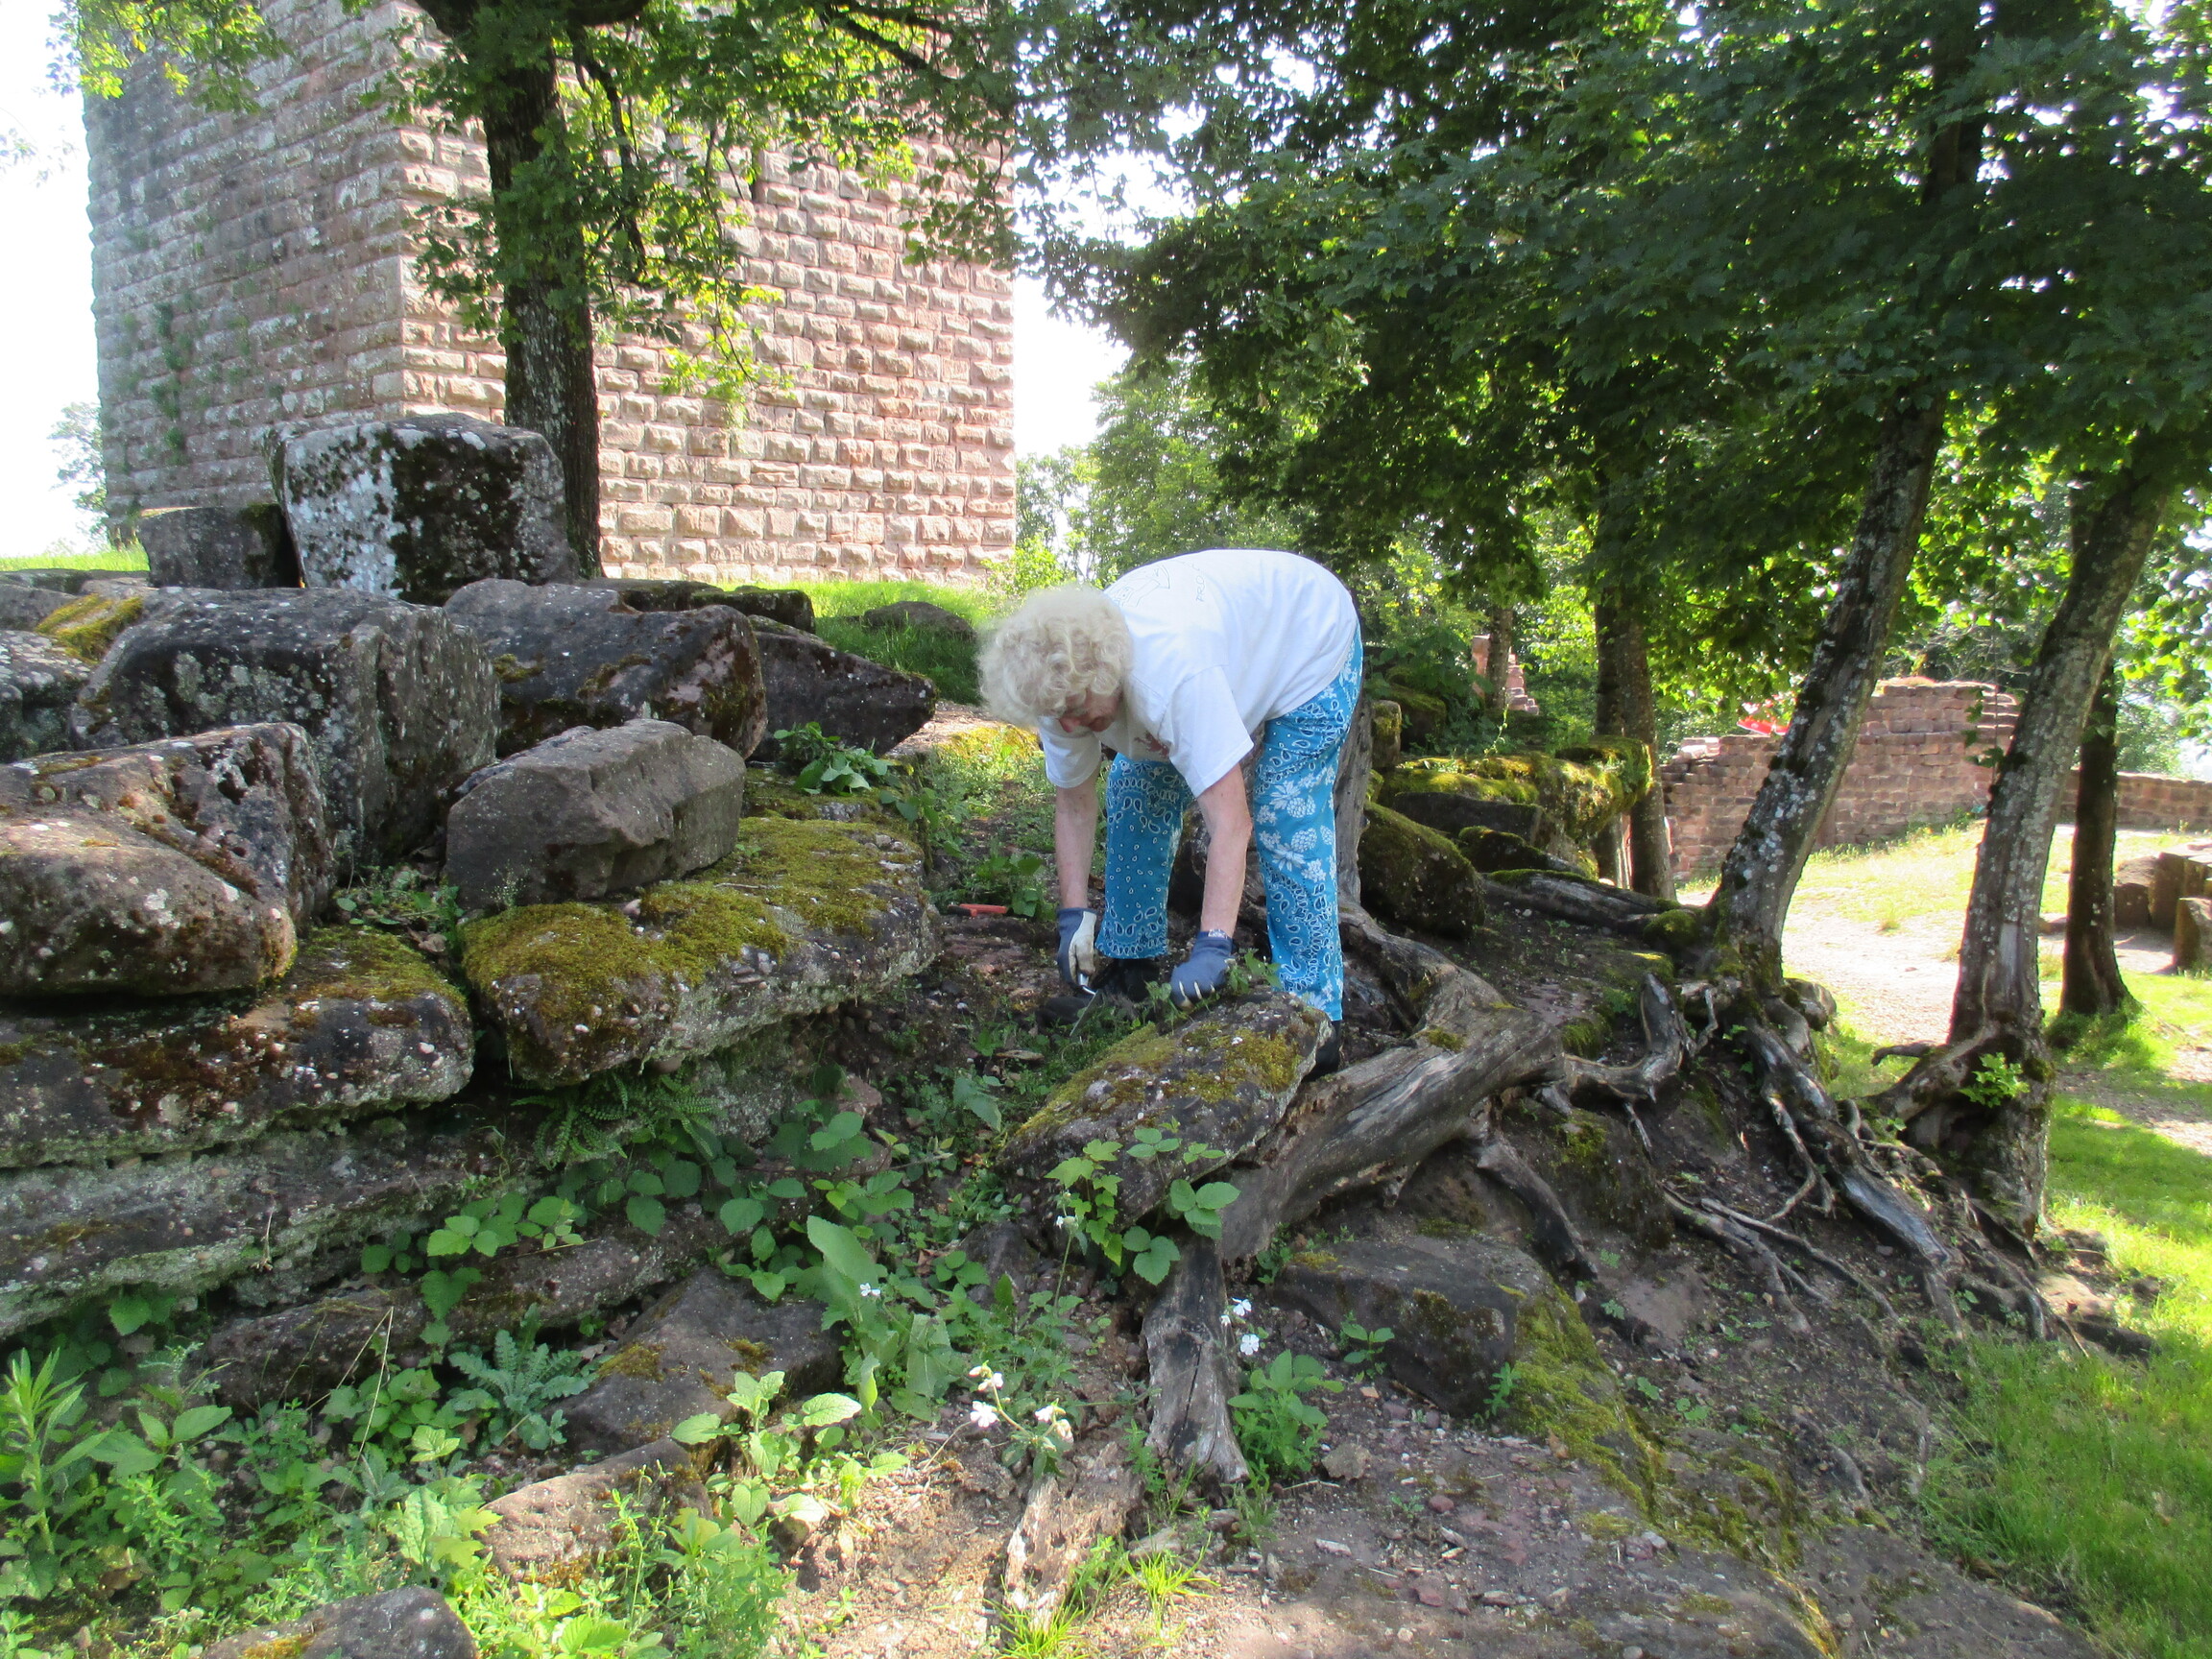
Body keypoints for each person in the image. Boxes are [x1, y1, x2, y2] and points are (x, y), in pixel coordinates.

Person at [979, 547, 1362, 1022]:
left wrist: (1213, 945)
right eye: (1058, 716)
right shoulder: (1057, 689)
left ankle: (1315, 1012)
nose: (1070, 726)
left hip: (1308, 637)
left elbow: (1231, 823)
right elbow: (1074, 804)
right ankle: (1132, 973)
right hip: (1221, 651)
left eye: (1076, 709)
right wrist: (1073, 915)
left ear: (1105, 670)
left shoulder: (1171, 674)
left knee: (1285, 812)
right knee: (1134, 787)